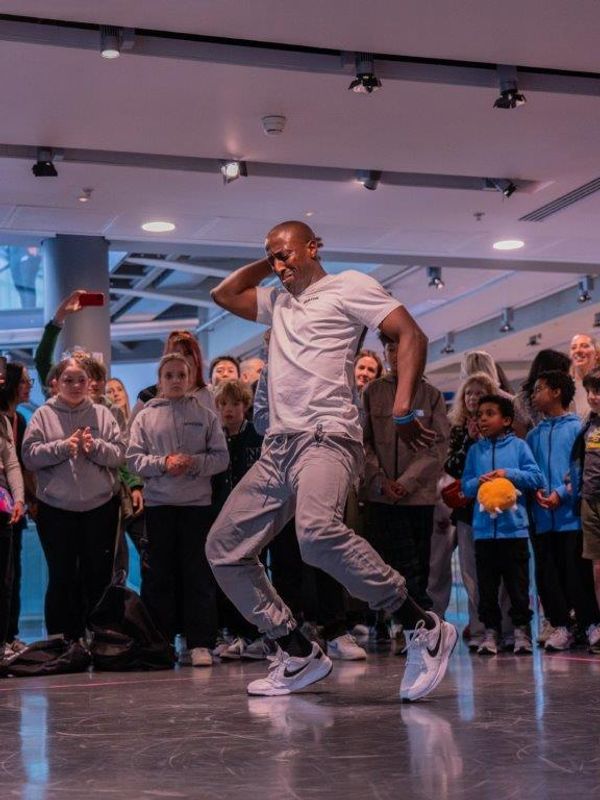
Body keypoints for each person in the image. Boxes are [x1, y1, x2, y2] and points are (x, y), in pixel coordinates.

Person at [206, 219, 457, 701]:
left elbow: (411, 334)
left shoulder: (349, 286)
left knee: (316, 534)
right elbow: (224, 293)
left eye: (287, 254)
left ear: (314, 247)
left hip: (326, 439)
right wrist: (274, 260)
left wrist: (402, 405)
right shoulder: (277, 300)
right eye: (271, 257)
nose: (279, 266)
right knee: (224, 548)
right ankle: (296, 650)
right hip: (277, 447)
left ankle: (423, 626)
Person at [127, 354, 229, 667]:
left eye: (180, 375)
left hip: (196, 508)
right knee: (159, 578)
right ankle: (161, 641)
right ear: (160, 379)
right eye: (168, 375)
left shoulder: (205, 413)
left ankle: (200, 643)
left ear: (189, 378)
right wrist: (163, 464)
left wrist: (195, 463)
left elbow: (221, 458)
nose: (174, 380)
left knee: (198, 576)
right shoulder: (144, 416)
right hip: (159, 507)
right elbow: (132, 458)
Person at [22, 357, 125, 640]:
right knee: (62, 576)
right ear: (55, 383)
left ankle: (101, 636)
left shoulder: (103, 415)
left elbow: (119, 455)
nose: (76, 386)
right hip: (56, 509)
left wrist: (95, 449)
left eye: (81, 380)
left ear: (90, 383)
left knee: (98, 576)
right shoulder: (43, 415)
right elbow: (29, 456)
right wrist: (63, 447)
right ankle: (62, 639)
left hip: (100, 507)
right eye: (69, 380)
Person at [363, 331, 450, 644]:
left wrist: (406, 482)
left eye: (402, 348)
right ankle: (386, 619)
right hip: (380, 497)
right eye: (390, 349)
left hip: (418, 497)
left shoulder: (431, 395)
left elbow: (439, 446)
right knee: (382, 561)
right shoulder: (372, 392)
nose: (395, 355)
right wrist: (380, 480)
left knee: (418, 563)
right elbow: (363, 442)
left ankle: (418, 625)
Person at [461, 394, 542, 656]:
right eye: (480, 414)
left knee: (518, 587)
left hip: (514, 531)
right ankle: (491, 631)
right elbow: (466, 486)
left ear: (506, 420)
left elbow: (535, 477)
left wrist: (509, 474)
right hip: (484, 534)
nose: (483, 419)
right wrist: (478, 483)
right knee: (487, 588)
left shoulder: (519, 447)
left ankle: (520, 631)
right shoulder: (475, 451)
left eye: (490, 413)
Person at [527, 370, 600, 652]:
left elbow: (579, 472)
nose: (535, 395)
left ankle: (591, 622)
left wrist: (561, 493)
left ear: (557, 392)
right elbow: (530, 470)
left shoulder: (577, 429)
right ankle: (561, 625)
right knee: (548, 574)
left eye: (539, 389)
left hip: (571, 518)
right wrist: (534, 492)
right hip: (542, 519)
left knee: (576, 573)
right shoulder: (533, 436)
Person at [429, 371, 496, 650]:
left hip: (483, 510)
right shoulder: (454, 429)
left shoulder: (497, 432)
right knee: (438, 568)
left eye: (479, 393)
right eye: (469, 393)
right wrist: (468, 440)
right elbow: (451, 466)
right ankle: (434, 624)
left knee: (479, 573)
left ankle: (482, 628)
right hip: (452, 505)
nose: (473, 398)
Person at [0, 363, 36, 652]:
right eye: (24, 381)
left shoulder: (10, 421)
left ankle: (6, 638)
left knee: (9, 575)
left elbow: (14, 464)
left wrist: (21, 499)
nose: (28, 386)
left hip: (7, 507)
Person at [133, 330, 214, 418]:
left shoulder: (211, 395)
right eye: (176, 354)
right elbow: (131, 430)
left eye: (187, 353)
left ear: (197, 359)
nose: (182, 358)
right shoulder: (149, 396)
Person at [574, 367, 600, 613]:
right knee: (597, 568)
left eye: (598, 391)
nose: (592, 396)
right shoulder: (587, 425)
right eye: (589, 391)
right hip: (589, 501)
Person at [0, 412, 25, 657]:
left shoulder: (2, 420)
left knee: (4, 579)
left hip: (1, 500)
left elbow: (11, 463)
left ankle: (2, 643)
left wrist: (18, 498)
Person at [513, 349, 571, 433]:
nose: (568, 379)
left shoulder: (565, 397)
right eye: (566, 374)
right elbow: (520, 441)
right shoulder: (521, 402)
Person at [570, 333, 600, 417]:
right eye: (573, 348)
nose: (578, 350)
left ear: (597, 354)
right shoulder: (566, 389)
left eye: (585, 346)